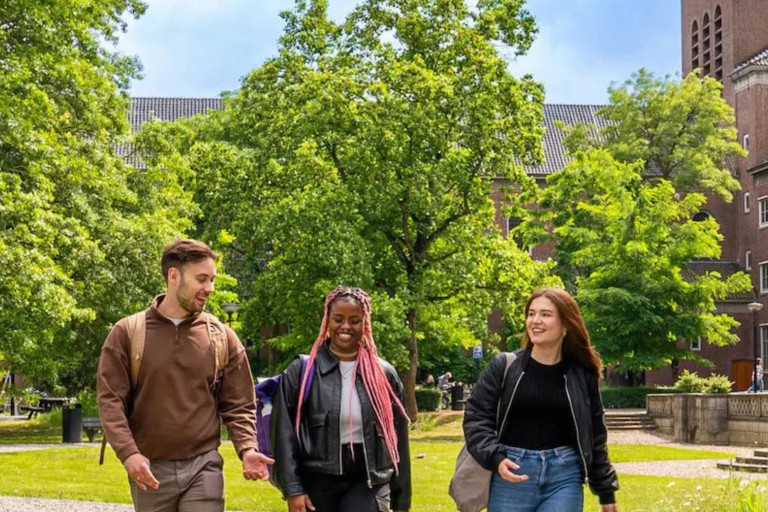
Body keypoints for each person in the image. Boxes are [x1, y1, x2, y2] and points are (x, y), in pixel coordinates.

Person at [97, 239, 274, 512]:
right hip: (150, 469)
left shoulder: (221, 337)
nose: (210, 288)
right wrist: (129, 454)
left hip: (204, 466)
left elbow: (239, 404)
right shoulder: (127, 333)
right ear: (173, 276)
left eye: (212, 280)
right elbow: (111, 402)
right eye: (201, 279)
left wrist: (248, 449)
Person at [463, 287, 619, 512]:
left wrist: (606, 490)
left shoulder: (582, 374)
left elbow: (595, 434)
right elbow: (476, 417)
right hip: (512, 472)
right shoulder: (505, 366)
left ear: (566, 325)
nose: (535, 320)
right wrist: (495, 456)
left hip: (565, 476)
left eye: (545, 314)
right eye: (531, 314)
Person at [270, 286, 411, 512]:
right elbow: (283, 435)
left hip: (368, 480)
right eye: (338, 319)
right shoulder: (302, 372)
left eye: (354, 320)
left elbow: (398, 440)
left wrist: (401, 500)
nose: (345, 326)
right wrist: (293, 489)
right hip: (317, 479)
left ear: (365, 324)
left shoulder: (383, 374)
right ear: (327, 321)